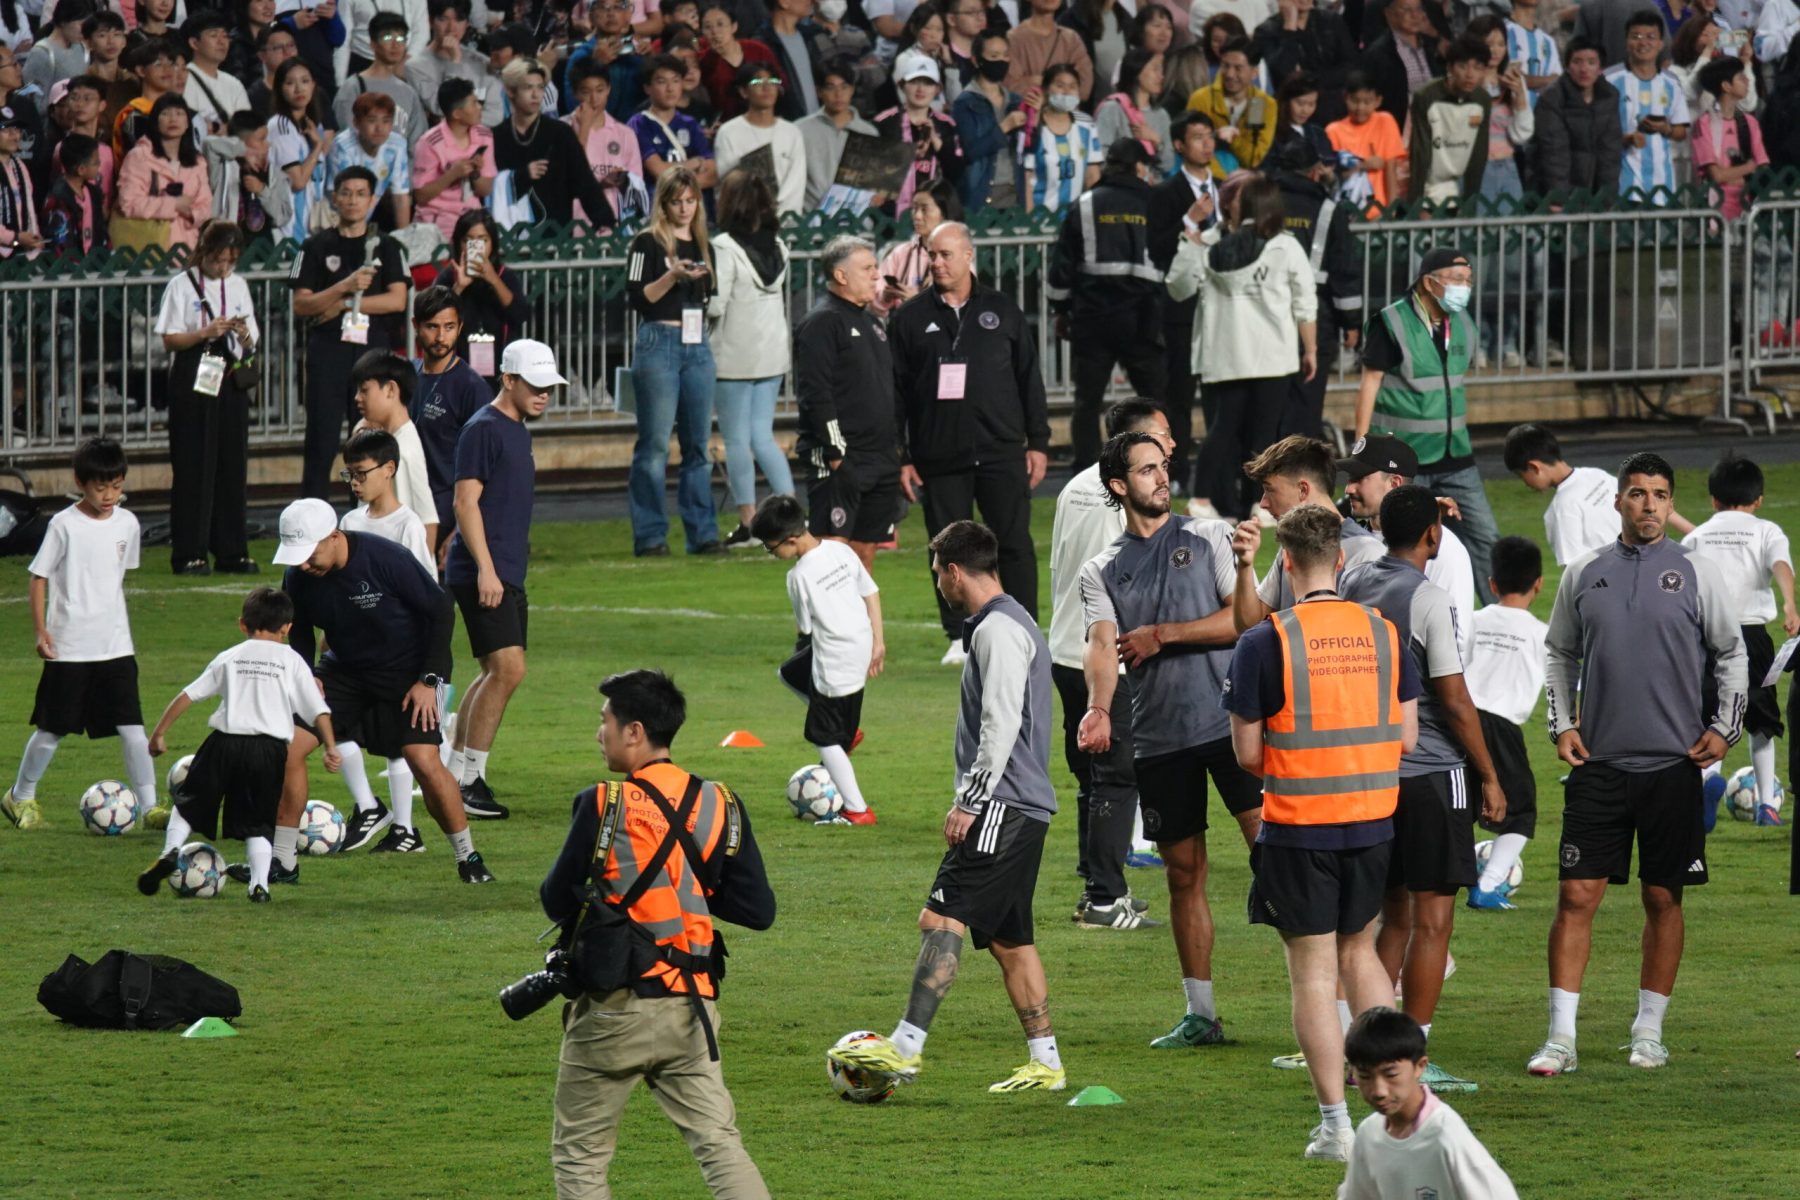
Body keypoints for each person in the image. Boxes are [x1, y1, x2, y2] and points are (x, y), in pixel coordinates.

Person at [829, 520, 1066, 1094]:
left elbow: (1000, 722)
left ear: (955, 572)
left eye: (938, 572)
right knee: (1011, 940)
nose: (938, 583)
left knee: (940, 918)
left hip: (1002, 805)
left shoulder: (998, 630)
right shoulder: (1009, 621)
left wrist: (971, 801)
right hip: (1024, 807)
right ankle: (1046, 1063)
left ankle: (906, 1047)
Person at [1532, 452, 1745, 1078]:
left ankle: (1648, 1032)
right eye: (1637, 493)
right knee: (1576, 895)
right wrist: (1561, 723)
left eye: (1659, 494)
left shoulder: (1698, 571)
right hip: (1598, 763)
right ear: (1618, 501)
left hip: (1673, 765)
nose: (1648, 504)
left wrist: (1724, 727)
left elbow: (1731, 653)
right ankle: (1560, 1039)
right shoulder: (1583, 571)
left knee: (1662, 896)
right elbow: (1558, 652)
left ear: (1670, 502)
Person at [1223, 504, 1419, 1162]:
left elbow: (1248, 754)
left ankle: (1336, 1126)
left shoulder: (1266, 641)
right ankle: (1398, 1108)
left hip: (1299, 826)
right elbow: (1408, 737)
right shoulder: (1383, 633)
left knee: (1312, 976)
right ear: (1340, 559)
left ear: (1284, 561)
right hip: (1372, 821)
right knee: (1362, 956)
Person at [540, 668, 775, 1200]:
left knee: (581, 1158)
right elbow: (758, 909)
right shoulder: (721, 802)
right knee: (720, 1146)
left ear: (634, 731)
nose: (598, 733)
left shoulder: (603, 803)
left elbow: (556, 899)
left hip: (615, 1010)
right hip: (692, 1010)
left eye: (604, 721)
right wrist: (687, 883)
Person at [1079, 430, 1260, 1030]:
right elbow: (1101, 643)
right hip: (1160, 739)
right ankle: (1200, 1015)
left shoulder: (1208, 535)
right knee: (1184, 876)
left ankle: (1332, 1009)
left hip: (1232, 727)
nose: (1162, 477)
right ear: (1119, 485)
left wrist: (1164, 634)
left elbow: (1244, 620)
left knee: (1276, 859)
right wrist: (1099, 708)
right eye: (1146, 470)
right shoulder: (1101, 569)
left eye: (1163, 466)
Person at [1339, 485, 1504, 1095]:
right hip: (1432, 773)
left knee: (1392, 916)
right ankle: (1415, 1055)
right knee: (1433, 921)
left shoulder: (1354, 584)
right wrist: (1490, 774)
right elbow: (1454, 699)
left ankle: (1366, 1050)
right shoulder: (1430, 598)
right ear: (1433, 535)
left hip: (1370, 772)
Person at [271, 497, 492, 884]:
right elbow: (300, 630)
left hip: (409, 671)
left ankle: (468, 857)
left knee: (423, 759)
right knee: (289, 748)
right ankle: (282, 862)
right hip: (344, 671)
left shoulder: (386, 559)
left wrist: (429, 680)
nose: (303, 565)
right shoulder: (298, 576)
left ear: (334, 536)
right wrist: (306, 675)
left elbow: (441, 610)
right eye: (296, 557)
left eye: (309, 554)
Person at [891, 221, 1049, 662]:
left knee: (1013, 542)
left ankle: (1024, 624)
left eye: (945, 254)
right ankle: (958, 636)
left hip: (1001, 449)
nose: (937, 263)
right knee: (947, 549)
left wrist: (1037, 441)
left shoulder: (1003, 309)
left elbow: (1029, 378)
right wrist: (902, 455)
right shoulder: (909, 317)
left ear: (968, 256)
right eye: (932, 255)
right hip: (939, 454)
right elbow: (896, 393)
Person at [1048, 401, 1174, 932]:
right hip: (1108, 658)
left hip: (1064, 648)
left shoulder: (1073, 487)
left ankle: (1095, 885)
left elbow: (1059, 565)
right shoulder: (1125, 499)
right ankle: (1105, 898)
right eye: (1162, 437)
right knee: (1117, 780)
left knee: (1093, 778)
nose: (1171, 446)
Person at [138, 587, 340, 904]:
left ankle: (170, 851)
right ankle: (259, 886)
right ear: (287, 627)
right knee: (259, 822)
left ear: (243, 624)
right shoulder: (292, 661)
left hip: (224, 743)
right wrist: (330, 747)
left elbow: (188, 695)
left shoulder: (230, 656)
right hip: (269, 750)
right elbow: (318, 710)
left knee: (188, 803)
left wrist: (159, 734)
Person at [2, 439, 157, 833]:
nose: (109, 496)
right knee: (51, 730)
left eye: (116, 487)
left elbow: (117, 575)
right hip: (69, 647)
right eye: (101, 488)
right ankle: (20, 796)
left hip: (116, 646)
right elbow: (38, 577)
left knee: (133, 729)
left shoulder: (128, 523)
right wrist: (41, 631)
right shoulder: (63, 525)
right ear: (80, 483)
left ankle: (151, 806)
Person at [441, 339, 561, 821]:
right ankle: (470, 781)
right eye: (535, 385)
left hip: (502, 569)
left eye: (549, 387)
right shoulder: (484, 429)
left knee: (494, 669)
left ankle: (454, 772)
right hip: (485, 572)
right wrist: (487, 570)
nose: (544, 394)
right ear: (507, 379)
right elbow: (464, 502)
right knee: (509, 670)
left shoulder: (514, 429)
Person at [1353, 247, 1500, 605]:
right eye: (1457, 279)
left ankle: (1499, 619)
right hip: (1406, 459)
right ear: (1429, 282)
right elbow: (1369, 383)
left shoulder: (1462, 323)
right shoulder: (1392, 322)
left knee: (1485, 538)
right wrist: (1363, 450)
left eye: (1468, 280)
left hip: (1456, 454)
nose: (1464, 287)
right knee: (1401, 544)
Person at [1169, 173, 1317, 522]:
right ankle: (1232, 504)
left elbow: (1177, 287)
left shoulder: (1208, 245)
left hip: (1227, 355)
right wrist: (1309, 347)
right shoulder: (1282, 245)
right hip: (1266, 355)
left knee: (1231, 432)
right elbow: (1305, 300)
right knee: (1248, 434)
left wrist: (1191, 239)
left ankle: (1220, 501)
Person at [330, 428, 433, 853]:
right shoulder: (349, 523)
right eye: (349, 475)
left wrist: (426, 669)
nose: (354, 483)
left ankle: (405, 830)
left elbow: (428, 597)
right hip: (354, 654)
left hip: (398, 656)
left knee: (397, 744)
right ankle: (369, 807)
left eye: (361, 473)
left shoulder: (408, 526)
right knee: (330, 723)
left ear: (389, 469)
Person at [752, 494, 883, 823]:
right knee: (790, 672)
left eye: (770, 547)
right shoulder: (840, 549)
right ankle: (847, 730)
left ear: (790, 540)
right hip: (862, 644)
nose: (771, 553)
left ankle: (857, 810)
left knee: (820, 736)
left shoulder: (798, 576)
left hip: (834, 657)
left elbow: (806, 628)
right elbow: (870, 592)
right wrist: (879, 641)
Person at [1683, 456, 1797, 827]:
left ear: (1714, 499)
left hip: (1708, 636)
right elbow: (1780, 565)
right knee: (1761, 720)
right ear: (1758, 499)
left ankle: (1707, 779)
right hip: (1753, 637)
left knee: (1710, 715)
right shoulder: (1766, 531)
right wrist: (1789, 602)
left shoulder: (1697, 536)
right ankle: (1767, 805)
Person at [289, 166, 409, 500]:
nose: (353, 200)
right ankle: (312, 519)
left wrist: (343, 306)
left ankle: (369, 516)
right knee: (321, 443)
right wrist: (344, 287)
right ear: (334, 198)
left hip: (373, 358)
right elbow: (301, 303)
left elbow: (397, 300)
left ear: (372, 199)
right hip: (328, 355)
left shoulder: (388, 246)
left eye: (360, 194)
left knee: (370, 443)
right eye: (346, 193)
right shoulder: (314, 246)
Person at [1047, 138, 1165, 475]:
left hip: (1093, 316)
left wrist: (1061, 310)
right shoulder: (1157, 202)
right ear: (1139, 167)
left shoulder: (1085, 204)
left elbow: (1062, 267)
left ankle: (1086, 473)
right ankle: (1160, 467)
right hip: (1144, 317)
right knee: (1156, 401)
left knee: (1087, 402)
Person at [626, 166, 723, 558]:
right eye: (676, 201)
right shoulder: (646, 243)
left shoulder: (704, 244)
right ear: (663, 204)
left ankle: (703, 533)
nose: (684, 208)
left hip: (697, 344)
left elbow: (710, 295)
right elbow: (638, 297)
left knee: (698, 445)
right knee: (654, 446)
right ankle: (650, 535)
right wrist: (672, 276)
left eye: (690, 200)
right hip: (658, 342)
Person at [155, 218, 260, 578]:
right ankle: (190, 552)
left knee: (233, 462)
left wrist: (243, 334)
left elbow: (252, 337)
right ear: (205, 252)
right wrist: (204, 332)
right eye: (217, 260)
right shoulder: (181, 285)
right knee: (193, 463)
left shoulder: (239, 285)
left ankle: (232, 550)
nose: (223, 267)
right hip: (195, 372)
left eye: (230, 261)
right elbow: (170, 338)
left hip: (229, 373)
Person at [792, 234, 901, 573]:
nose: (876, 275)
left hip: (880, 458)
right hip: (843, 457)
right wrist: (837, 453)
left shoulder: (872, 324)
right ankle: (822, 613)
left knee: (864, 554)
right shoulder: (822, 322)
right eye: (867, 268)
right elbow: (815, 392)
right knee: (831, 555)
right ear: (841, 275)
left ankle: (857, 613)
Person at [1339, 1008, 1521, 1200]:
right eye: (1365, 1076)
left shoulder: (1446, 1138)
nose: (1379, 1091)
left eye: (1391, 1074)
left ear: (1420, 1066)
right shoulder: (1369, 1133)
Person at [708, 170, 794, 546]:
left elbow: (716, 303)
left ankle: (750, 524)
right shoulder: (779, 245)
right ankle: (792, 517)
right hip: (771, 353)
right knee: (763, 437)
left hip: (734, 355)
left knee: (737, 441)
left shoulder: (724, 246)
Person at [1463, 535, 1548, 911]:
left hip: (1459, 720)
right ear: (1539, 584)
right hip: (1501, 729)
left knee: (1460, 805)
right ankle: (1487, 886)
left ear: (1492, 583)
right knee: (1520, 811)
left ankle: (1447, 877)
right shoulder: (1542, 635)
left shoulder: (1473, 621)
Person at [1229, 434, 1387, 631]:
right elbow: (1249, 626)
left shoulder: (1366, 553)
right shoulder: (1292, 543)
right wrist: (1244, 564)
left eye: (1270, 490)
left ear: (1303, 490)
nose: (1263, 503)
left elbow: (1369, 637)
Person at [1270, 137, 1361, 441]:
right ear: (1314, 171)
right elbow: (1344, 271)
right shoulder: (1328, 210)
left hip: (1266, 313)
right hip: (1315, 317)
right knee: (1305, 405)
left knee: (1268, 406)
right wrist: (1351, 323)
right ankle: (1299, 465)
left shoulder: (1262, 203)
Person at [492, 57, 616, 229]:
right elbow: (487, 190)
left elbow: (585, 182)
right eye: (528, 88)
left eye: (540, 87)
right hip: (507, 234)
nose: (536, 95)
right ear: (511, 91)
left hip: (557, 233)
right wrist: (522, 176)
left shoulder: (560, 133)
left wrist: (606, 223)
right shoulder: (496, 137)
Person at [409, 285, 491, 547]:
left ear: (460, 327)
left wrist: (460, 530)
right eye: (432, 327)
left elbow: (487, 465)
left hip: (445, 511)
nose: (441, 336)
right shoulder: (406, 376)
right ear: (416, 326)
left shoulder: (472, 388)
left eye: (449, 327)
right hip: (407, 506)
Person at [1605, 10, 1689, 205]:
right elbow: (1597, 131)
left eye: (1650, 37)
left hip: (1663, 187)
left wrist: (1666, 129)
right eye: (1636, 36)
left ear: (1660, 43)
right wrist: (1625, 139)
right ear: (1626, 42)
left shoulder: (1672, 82)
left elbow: (1681, 131)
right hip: (1621, 187)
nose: (1643, 43)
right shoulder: (1609, 80)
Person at [116, 93, 213, 254]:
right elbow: (129, 203)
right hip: (148, 249)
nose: (173, 119)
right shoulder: (139, 156)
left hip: (188, 248)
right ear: (155, 122)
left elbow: (206, 206)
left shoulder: (197, 162)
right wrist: (174, 205)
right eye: (165, 113)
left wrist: (192, 213)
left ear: (187, 123)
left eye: (179, 113)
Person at [1406, 36, 1492, 208]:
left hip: (1458, 184)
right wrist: (1416, 204)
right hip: (1429, 184)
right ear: (1449, 67)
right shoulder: (1426, 97)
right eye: (1462, 66)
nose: (1470, 74)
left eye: (1477, 68)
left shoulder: (1482, 100)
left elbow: (1479, 153)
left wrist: (1470, 205)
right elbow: (1420, 153)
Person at [713, 61, 807, 214]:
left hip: (787, 220)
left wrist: (780, 216)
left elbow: (796, 182)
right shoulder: (729, 132)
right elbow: (726, 182)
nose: (766, 87)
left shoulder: (792, 132)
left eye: (772, 81)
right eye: (757, 82)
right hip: (744, 217)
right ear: (743, 92)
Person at [437, 211, 531, 362]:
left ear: (492, 243)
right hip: (458, 363)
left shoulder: (504, 275)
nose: (476, 248)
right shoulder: (448, 277)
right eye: (468, 240)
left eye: (483, 240)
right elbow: (435, 317)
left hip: (501, 362)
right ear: (458, 243)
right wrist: (458, 288)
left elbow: (520, 314)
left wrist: (494, 279)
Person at [873, 57, 962, 216]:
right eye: (914, 82)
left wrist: (936, 141)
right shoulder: (884, 122)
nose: (921, 89)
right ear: (902, 85)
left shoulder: (946, 124)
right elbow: (871, 172)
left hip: (934, 212)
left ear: (938, 89)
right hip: (890, 214)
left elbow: (956, 173)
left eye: (928, 83)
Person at [949, 28, 1026, 209]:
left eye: (1005, 55)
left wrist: (1033, 122)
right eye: (994, 56)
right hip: (982, 192)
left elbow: (1029, 148)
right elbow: (970, 151)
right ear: (976, 60)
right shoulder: (965, 103)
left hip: (1015, 190)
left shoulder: (1016, 101)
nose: (1001, 61)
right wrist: (1004, 127)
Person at [565, 59, 647, 228]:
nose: (594, 99)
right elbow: (567, 178)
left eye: (600, 90)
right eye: (586, 92)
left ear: (609, 89)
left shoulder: (625, 134)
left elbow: (637, 184)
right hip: (573, 225)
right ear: (575, 93)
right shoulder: (561, 129)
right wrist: (584, 128)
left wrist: (622, 179)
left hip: (613, 225)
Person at [412, 78, 496, 238]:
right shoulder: (429, 143)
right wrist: (453, 174)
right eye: (474, 103)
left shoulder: (485, 136)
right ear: (457, 114)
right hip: (436, 226)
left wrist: (475, 174)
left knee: (477, 254)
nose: (480, 107)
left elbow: (485, 190)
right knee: (445, 256)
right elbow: (421, 196)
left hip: (472, 222)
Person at [331, 12, 427, 144]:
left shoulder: (409, 93)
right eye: (387, 37)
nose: (395, 44)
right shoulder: (353, 88)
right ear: (373, 44)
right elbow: (345, 140)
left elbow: (417, 143)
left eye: (400, 39)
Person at [1019, 61, 1102, 214]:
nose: (1066, 92)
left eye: (1073, 86)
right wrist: (1029, 221)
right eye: (1060, 85)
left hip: (1074, 218)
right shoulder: (1032, 125)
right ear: (1045, 90)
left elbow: (1092, 176)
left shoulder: (1086, 124)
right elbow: (1026, 177)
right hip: (1039, 217)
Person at [1253, 0, 1354, 124]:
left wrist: (1313, 83)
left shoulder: (1331, 21)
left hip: (1331, 103)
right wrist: (1290, 28)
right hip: (1290, 110)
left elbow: (1350, 65)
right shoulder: (1266, 31)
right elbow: (1282, 75)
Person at [266, 56, 334, 241]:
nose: (299, 88)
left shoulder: (313, 126)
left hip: (313, 230)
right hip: (290, 233)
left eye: (305, 81)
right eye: (290, 83)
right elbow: (298, 182)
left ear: (313, 85)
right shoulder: (280, 126)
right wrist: (318, 147)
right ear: (279, 89)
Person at [1184, 35, 1274, 174]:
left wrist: (1234, 140)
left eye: (1238, 68)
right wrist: (1224, 181)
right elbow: (1195, 152)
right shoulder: (1202, 99)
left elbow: (1253, 158)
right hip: (1208, 177)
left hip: (1245, 180)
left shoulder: (1260, 103)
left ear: (1254, 73)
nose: (1230, 74)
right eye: (1225, 66)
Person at [798, 56, 878, 211]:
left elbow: (875, 185)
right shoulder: (800, 130)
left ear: (852, 90)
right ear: (819, 92)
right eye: (830, 88)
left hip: (858, 221)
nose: (838, 94)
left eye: (844, 87)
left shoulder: (869, 133)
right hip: (813, 221)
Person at [1692, 54, 1765, 221]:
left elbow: (1761, 167)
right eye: (1740, 77)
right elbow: (1716, 176)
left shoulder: (1750, 122)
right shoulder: (1705, 123)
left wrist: (1730, 174)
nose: (1747, 81)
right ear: (1726, 86)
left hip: (1748, 208)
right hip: (1715, 210)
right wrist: (1748, 168)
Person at [872, 177, 959, 317]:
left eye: (924, 209)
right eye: (914, 208)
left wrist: (918, 302)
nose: (917, 216)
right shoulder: (901, 253)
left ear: (944, 213)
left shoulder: (958, 257)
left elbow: (961, 307)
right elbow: (873, 299)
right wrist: (885, 297)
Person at [325, 89, 412, 228]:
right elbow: (345, 198)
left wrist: (403, 236)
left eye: (386, 121)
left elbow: (401, 197)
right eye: (372, 120)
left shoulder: (397, 145)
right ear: (356, 123)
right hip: (333, 219)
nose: (379, 128)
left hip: (367, 216)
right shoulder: (342, 146)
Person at [1327, 70, 1406, 217]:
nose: (1360, 107)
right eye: (1355, 101)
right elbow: (1331, 178)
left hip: (1379, 213)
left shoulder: (1386, 121)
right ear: (1345, 98)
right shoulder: (1333, 131)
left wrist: (1391, 211)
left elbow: (1391, 169)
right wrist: (1363, 165)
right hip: (1345, 214)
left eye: (1367, 102)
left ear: (1378, 101)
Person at [1360, 0, 1443, 128]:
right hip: (1400, 127)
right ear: (1389, 14)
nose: (1415, 15)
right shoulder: (1379, 54)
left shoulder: (1431, 46)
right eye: (1406, 9)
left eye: (1418, 9)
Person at [406, 0, 491, 123]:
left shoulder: (481, 61)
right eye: (443, 19)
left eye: (459, 20)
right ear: (430, 21)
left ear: (467, 23)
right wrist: (454, 62)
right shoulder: (415, 67)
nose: (451, 28)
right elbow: (442, 108)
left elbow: (494, 110)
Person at [698, 1, 782, 120]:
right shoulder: (703, 61)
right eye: (707, 27)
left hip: (766, 116)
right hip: (728, 122)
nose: (714, 31)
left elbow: (780, 82)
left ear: (734, 26)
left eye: (720, 24)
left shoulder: (758, 49)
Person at [1007, 0, 1092, 99]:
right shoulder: (1013, 39)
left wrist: (1035, 80)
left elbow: (1084, 88)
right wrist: (1063, 85)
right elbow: (1010, 87)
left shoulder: (1071, 39)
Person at [183, 10, 252, 134]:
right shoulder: (182, 80)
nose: (222, 42)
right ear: (194, 43)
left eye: (225, 36)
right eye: (213, 35)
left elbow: (246, 130)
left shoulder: (234, 84)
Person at [753, 0, 821, 120]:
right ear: (784, 2)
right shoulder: (763, 44)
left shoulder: (809, 36)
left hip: (817, 123)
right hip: (787, 123)